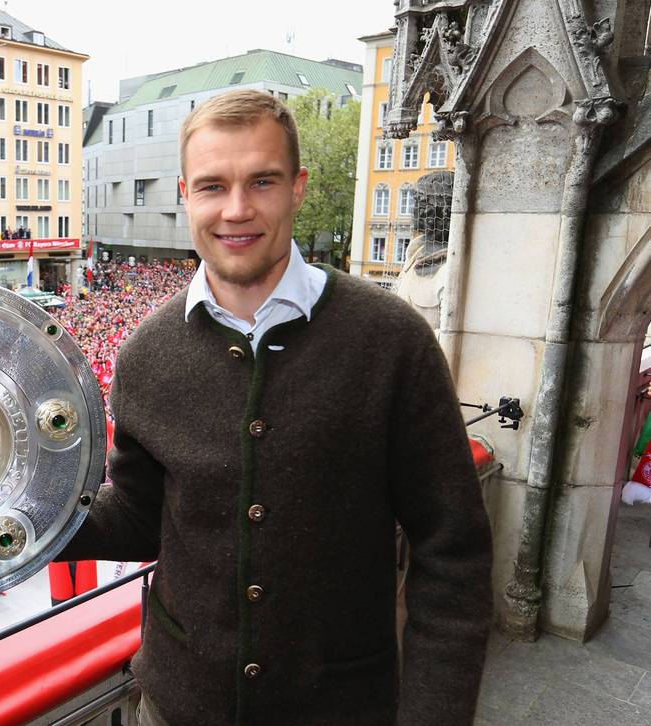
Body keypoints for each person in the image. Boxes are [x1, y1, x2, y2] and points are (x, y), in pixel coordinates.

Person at [54, 90, 493, 726]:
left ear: (298, 188)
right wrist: (10, 527)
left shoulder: (391, 341)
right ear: (185, 195)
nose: (236, 209)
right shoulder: (147, 352)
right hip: (177, 708)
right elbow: (139, 517)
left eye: (262, 181)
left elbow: (454, 552)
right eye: (213, 186)